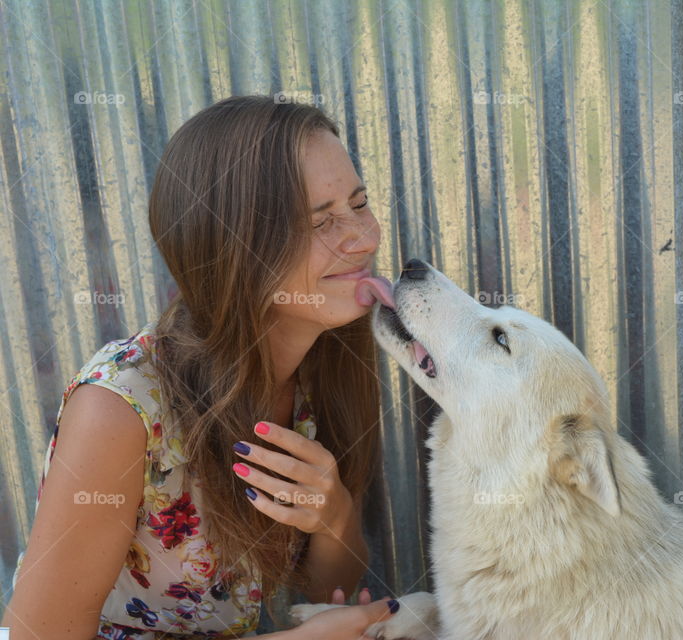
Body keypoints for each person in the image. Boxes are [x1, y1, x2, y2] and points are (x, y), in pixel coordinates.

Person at [2, 95, 400, 638]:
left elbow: (327, 590)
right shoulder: (121, 408)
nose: (364, 237)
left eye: (359, 204)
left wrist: (334, 518)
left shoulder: (327, 359)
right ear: (235, 246)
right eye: (321, 221)